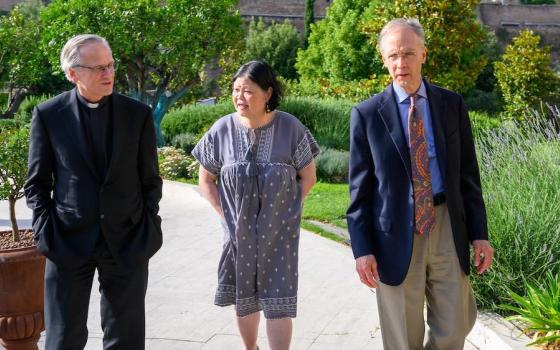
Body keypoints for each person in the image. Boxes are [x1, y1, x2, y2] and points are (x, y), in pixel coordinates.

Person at [347, 18, 495, 350]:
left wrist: (479, 234)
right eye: (393, 55)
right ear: (384, 59)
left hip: (445, 224)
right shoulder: (367, 114)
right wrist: (363, 249)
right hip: (394, 232)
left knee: (456, 323)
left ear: (423, 54)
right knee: (401, 333)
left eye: (409, 53)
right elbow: (359, 191)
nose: (401, 63)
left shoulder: (451, 104)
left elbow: (468, 175)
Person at [24, 34, 162, 350]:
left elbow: (150, 181)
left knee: (125, 340)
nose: (108, 74)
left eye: (110, 65)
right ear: (73, 73)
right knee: (62, 339)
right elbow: (37, 183)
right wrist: (46, 232)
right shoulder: (48, 115)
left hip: (127, 242)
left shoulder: (137, 115)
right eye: (98, 68)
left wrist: (146, 226)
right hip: (67, 241)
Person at [192, 60, 319, 350]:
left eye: (248, 91)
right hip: (238, 233)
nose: (239, 97)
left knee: (279, 299)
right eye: (236, 90)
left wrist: (288, 212)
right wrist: (225, 217)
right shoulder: (221, 129)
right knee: (244, 295)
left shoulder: (290, 128)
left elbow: (308, 177)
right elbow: (206, 180)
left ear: (267, 93)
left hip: (280, 233)